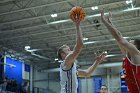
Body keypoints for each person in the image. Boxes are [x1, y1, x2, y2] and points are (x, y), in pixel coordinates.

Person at [57, 15, 107, 93]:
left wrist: (96, 62)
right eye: (68, 50)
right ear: (63, 54)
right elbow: (79, 45)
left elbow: (87, 73)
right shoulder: (66, 62)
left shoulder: (71, 67)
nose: (70, 51)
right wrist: (77, 26)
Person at [101, 9, 140, 93]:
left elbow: (119, 37)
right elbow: (118, 38)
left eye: (130, 43)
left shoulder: (136, 54)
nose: (127, 43)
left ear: (135, 46)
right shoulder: (128, 55)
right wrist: (110, 23)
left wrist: (105, 22)